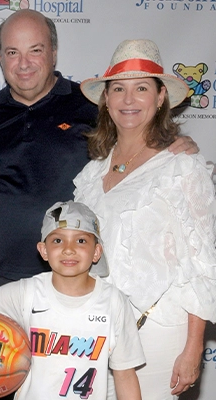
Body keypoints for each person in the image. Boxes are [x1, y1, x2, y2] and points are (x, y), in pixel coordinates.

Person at [0, 9, 198, 287]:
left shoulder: (92, 107)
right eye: (13, 52)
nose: (23, 63)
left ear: (53, 52)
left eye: (35, 50)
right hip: (0, 279)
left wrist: (172, 144)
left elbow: (138, 141)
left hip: (76, 282)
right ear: (1, 57)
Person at [73, 39, 216, 399]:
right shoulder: (92, 173)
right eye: (118, 89)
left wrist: (194, 346)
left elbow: (203, 263)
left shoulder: (182, 167)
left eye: (141, 88)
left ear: (161, 96)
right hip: (94, 332)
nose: (128, 100)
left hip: (157, 335)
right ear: (106, 99)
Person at [0, 200, 145, 399]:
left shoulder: (113, 301)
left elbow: (125, 375)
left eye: (81, 240)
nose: (68, 249)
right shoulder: (27, 292)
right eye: (58, 240)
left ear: (96, 252)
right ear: (43, 250)